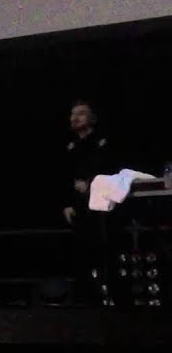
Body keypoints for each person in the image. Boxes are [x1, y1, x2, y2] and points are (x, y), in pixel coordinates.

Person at [61, 99, 117, 304]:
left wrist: (91, 182)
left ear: (92, 118)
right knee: (80, 253)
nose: (75, 118)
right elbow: (63, 177)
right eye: (73, 114)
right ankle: (84, 298)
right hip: (79, 207)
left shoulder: (103, 142)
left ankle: (110, 296)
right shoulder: (70, 146)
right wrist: (67, 203)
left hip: (102, 207)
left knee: (104, 250)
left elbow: (111, 169)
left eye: (81, 113)